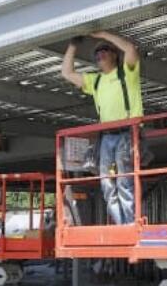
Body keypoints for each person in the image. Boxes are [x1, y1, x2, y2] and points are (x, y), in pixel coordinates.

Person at [60, 30, 143, 225]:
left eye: (104, 50)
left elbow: (130, 49)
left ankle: (130, 225)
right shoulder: (95, 81)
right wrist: (73, 45)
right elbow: (67, 73)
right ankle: (123, 225)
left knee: (124, 181)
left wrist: (104, 35)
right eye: (96, 53)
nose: (99, 55)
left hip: (127, 133)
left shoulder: (126, 73)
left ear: (115, 54)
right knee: (107, 185)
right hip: (106, 137)